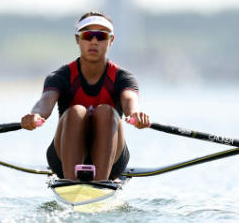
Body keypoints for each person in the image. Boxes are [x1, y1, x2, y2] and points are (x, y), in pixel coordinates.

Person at [20, 11, 150, 182]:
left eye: (101, 36)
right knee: (76, 112)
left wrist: (136, 115)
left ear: (111, 40)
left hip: (113, 160)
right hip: (63, 157)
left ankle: (101, 183)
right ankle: (72, 183)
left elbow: (130, 103)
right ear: (77, 39)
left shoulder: (123, 78)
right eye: (88, 35)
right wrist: (35, 115)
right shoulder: (60, 76)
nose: (94, 41)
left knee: (105, 112)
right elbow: (45, 102)